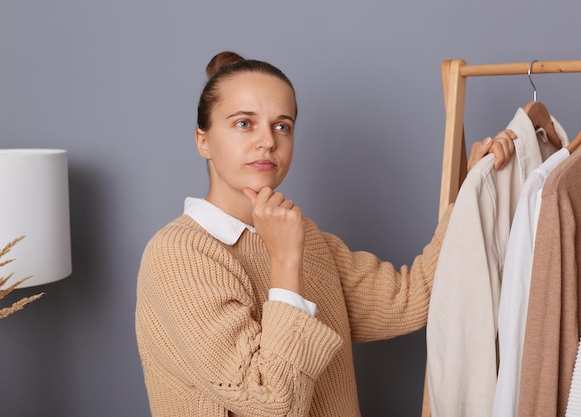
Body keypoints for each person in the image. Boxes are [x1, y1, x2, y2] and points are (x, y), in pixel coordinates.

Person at [135, 51, 516, 417]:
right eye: (243, 123)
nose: (268, 140)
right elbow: (271, 403)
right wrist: (285, 259)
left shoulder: (304, 238)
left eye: (281, 125)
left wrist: (472, 190)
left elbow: (412, 299)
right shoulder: (179, 254)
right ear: (203, 141)